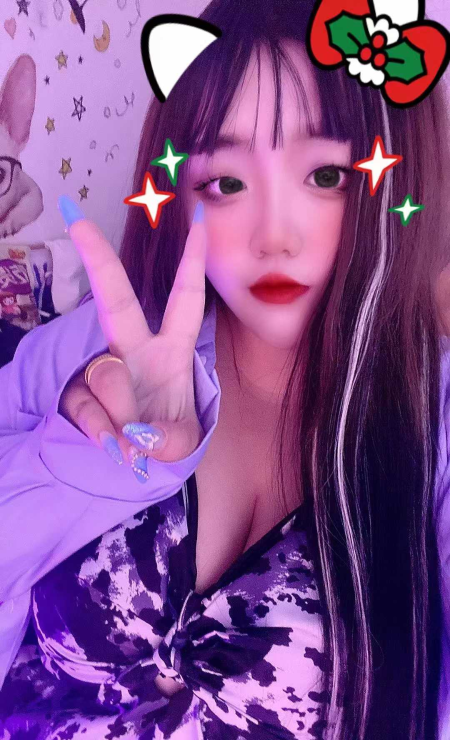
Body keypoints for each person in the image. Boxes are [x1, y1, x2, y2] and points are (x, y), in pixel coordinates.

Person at [0, 0, 450, 738]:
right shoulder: (99, 347)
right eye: (227, 184)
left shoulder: (432, 419)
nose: (275, 237)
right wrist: (80, 467)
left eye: (327, 175)